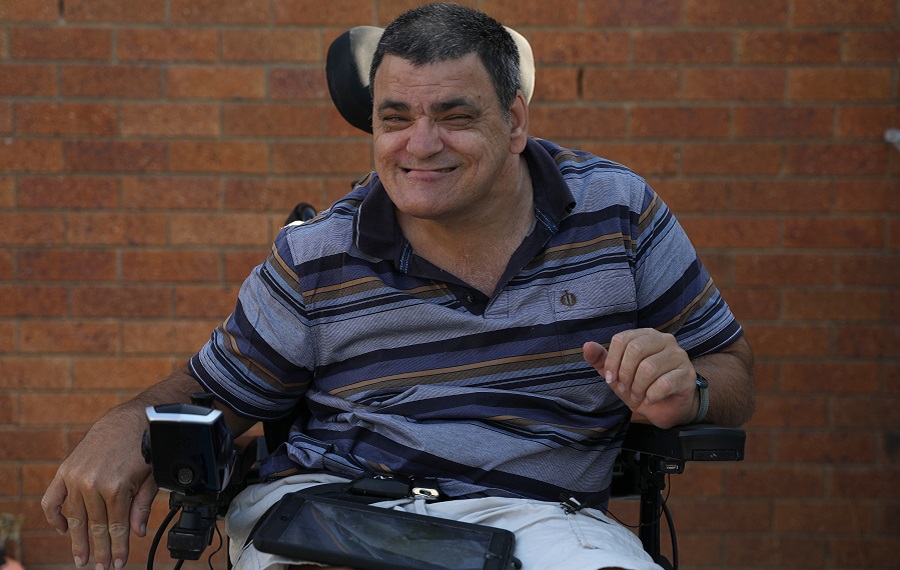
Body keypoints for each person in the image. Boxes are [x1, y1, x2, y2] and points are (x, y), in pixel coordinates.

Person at [41, 3, 755, 570]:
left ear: (513, 120)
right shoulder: (318, 252)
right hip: (340, 506)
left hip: (537, 520)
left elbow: (732, 372)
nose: (420, 144)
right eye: (396, 118)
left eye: (454, 115)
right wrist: (125, 423)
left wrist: (686, 387)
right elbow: (216, 396)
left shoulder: (616, 212)